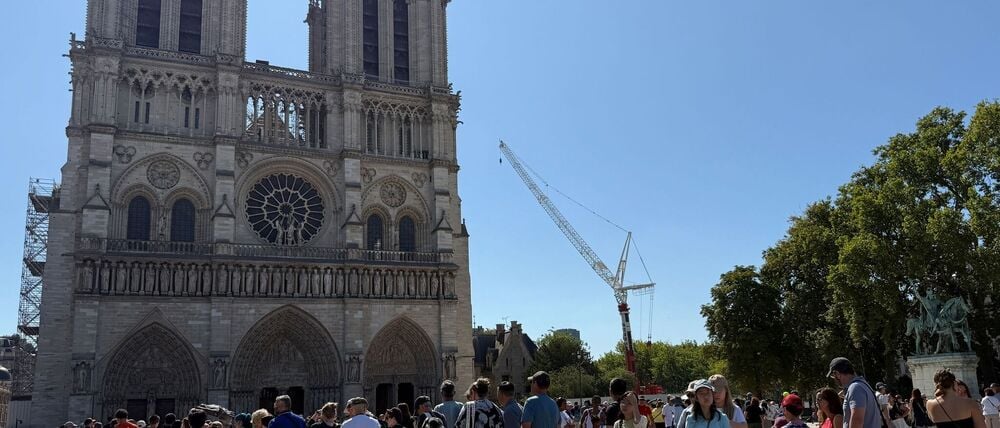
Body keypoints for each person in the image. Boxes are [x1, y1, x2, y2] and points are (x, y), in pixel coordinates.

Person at [828, 357, 882, 428]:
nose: (834, 379)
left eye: (833, 376)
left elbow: (857, 420)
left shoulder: (855, 388)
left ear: (837, 374)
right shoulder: (862, 385)